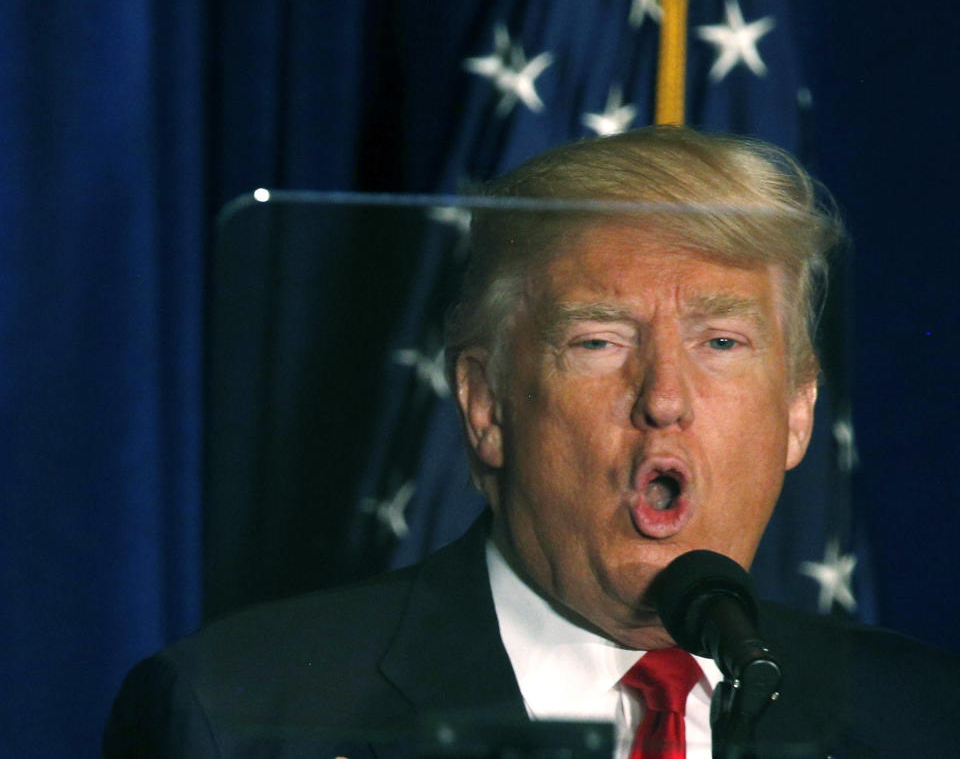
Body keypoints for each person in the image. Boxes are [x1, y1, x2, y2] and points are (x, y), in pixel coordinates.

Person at [103, 126, 960, 758]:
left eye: (721, 343)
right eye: (599, 342)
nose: (664, 398)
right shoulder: (241, 715)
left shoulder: (924, 721)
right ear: (486, 407)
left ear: (799, 412)